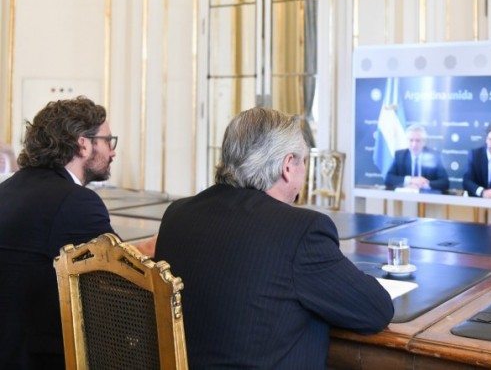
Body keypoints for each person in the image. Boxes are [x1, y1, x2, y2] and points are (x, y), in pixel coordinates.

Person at [155, 108, 394, 368]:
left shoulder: (176, 215)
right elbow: (375, 311)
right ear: (288, 166)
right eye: (304, 160)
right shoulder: (302, 231)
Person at [0, 96, 154, 369]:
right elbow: (122, 273)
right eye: (108, 141)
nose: (113, 152)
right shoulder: (75, 201)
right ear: (83, 144)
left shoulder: (8, 189)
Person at [384, 124, 450, 192]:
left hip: (427, 198)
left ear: (424, 142)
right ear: (407, 141)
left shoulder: (434, 156)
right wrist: (411, 180)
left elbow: (445, 182)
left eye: (417, 141)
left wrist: (423, 184)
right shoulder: (399, 156)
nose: (414, 144)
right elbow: (388, 179)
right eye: (411, 140)